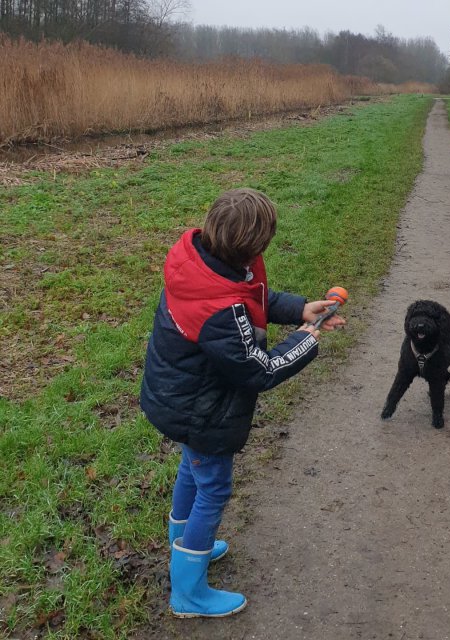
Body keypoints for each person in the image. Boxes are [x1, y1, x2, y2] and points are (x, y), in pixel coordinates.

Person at [140, 187, 344, 618]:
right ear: (251, 250)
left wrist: (299, 309)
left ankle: (187, 547)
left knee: (192, 473)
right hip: (201, 411)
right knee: (213, 487)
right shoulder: (220, 309)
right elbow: (260, 370)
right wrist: (305, 342)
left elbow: (251, 299)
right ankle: (188, 592)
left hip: (178, 398)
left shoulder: (201, 264)